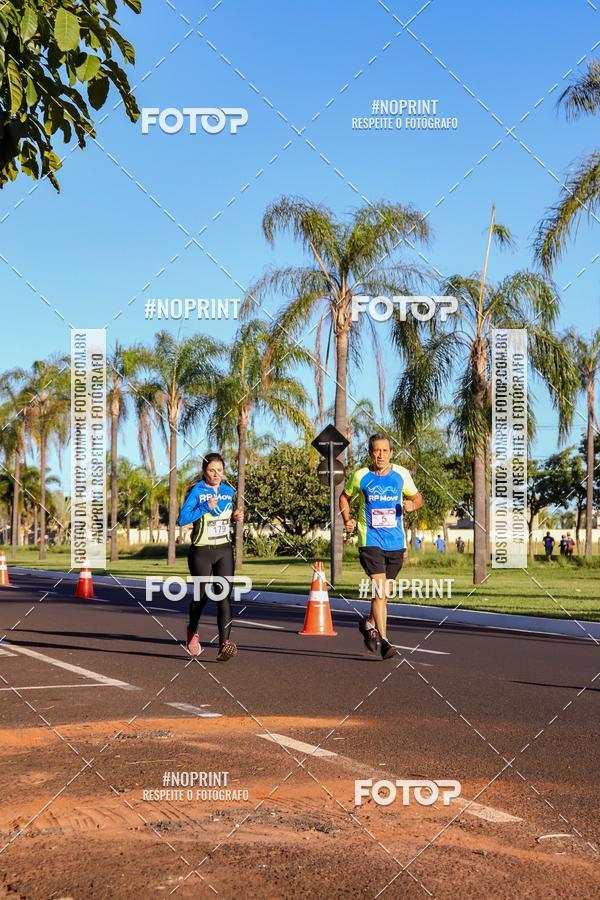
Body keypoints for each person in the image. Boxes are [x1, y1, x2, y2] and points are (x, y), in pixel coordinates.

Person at [340, 434, 423, 660]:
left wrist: (411, 505)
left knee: (383, 595)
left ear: (391, 453)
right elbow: (344, 497)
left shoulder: (401, 475)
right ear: (370, 453)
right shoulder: (361, 476)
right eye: (376, 451)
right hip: (370, 540)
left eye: (385, 451)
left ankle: (368, 625)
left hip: (395, 543)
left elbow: (418, 498)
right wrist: (347, 519)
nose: (380, 455)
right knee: (379, 590)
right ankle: (385, 641)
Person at [176, 453, 243, 660]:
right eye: (212, 470)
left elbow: (224, 514)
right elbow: (182, 519)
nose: (216, 474)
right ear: (204, 471)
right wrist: (205, 506)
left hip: (224, 549)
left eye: (220, 470)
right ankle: (192, 631)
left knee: (223, 596)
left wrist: (236, 517)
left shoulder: (227, 490)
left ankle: (224, 644)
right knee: (202, 597)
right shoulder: (197, 491)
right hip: (201, 551)